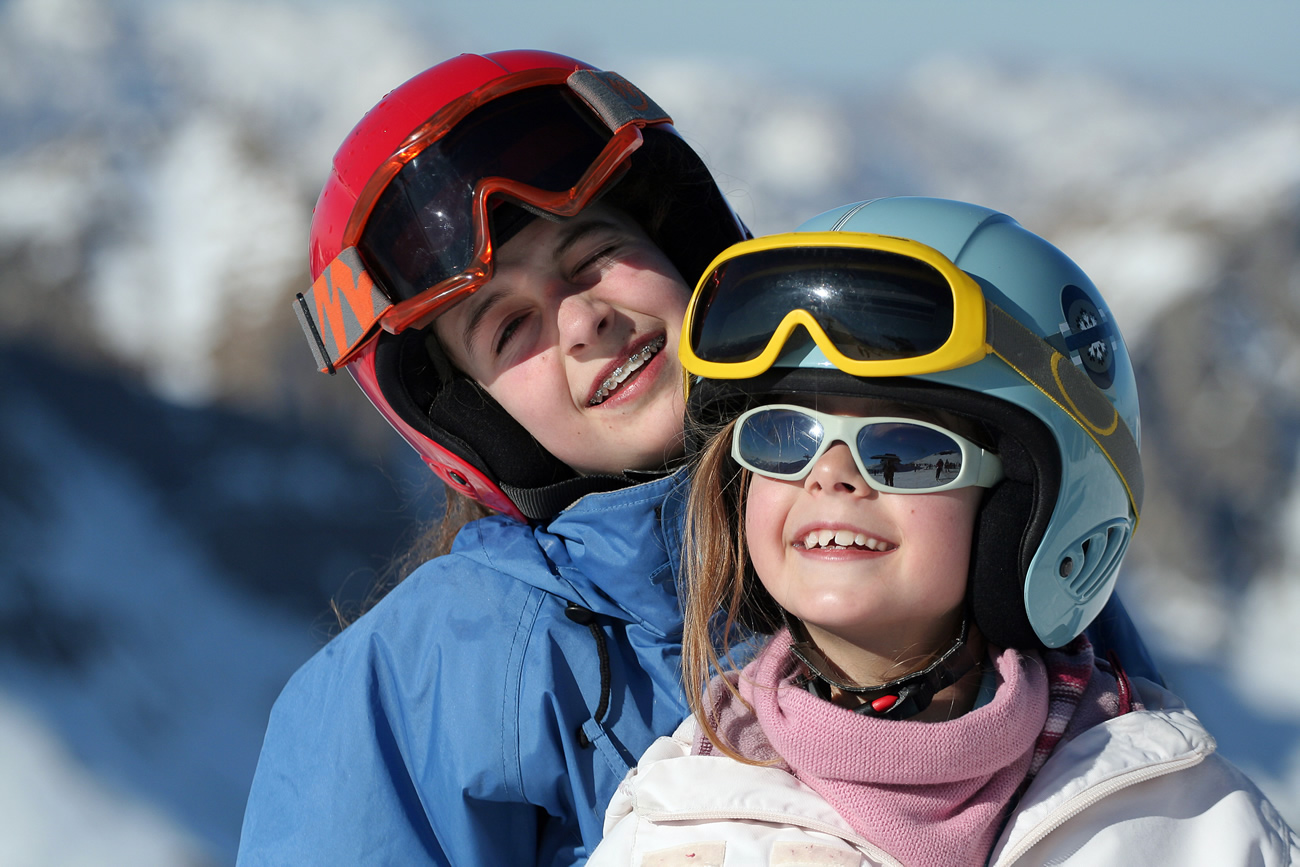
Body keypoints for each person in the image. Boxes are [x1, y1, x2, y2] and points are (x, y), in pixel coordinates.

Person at [590, 198, 1299, 865]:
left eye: (903, 448)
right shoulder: (676, 828)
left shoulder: (1191, 825)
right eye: (783, 434)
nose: (829, 474)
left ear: (1028, 514)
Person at [237, 50, 748, 866]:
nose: (583, 322)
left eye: (591, 257)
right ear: (475, 418)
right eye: (510, 330)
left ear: (685, 248)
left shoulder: (891, 487)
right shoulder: (427, 683)